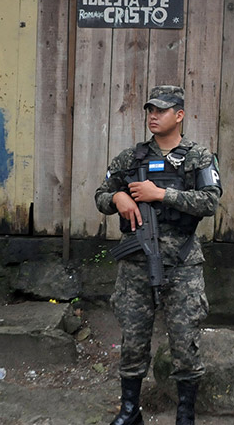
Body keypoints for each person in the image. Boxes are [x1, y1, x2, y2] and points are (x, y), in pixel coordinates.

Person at [95, 85, 222, 425]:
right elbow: (101, 193)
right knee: (133, 340)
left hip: (182, 264)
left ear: (179, 115)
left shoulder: (198, 156)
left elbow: (210, 202)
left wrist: (161, 194)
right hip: (137, 263)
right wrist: (117, 200)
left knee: (184, 342)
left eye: (161, 110)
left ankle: (185, 413)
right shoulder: (130, 158)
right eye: (150, 109)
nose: (153, 115)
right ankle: (129, 410)